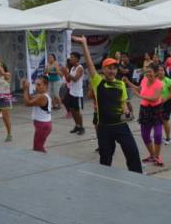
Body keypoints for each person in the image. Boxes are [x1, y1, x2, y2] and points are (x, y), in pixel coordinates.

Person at [73, 35, 142, 173]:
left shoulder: (120, 84)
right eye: (109, 68)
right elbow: (90, 64)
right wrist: (84, 43)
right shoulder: (98, 82)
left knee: (133, 153)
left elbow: (123, 103)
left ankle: (137, 177)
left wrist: (126, 112)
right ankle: (105, 181)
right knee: (105, 159)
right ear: (103, 70)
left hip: (121, 126)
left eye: (114, 68)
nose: (112, 71)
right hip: (104, 128)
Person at [127, 64, 165, 166]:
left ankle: (157, 157)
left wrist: (139, 96)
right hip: (144, 110)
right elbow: (139, 89)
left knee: (158, 134)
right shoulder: (144, 80)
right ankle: (152, 155)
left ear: (155, 73)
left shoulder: (159, 84)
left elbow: (155, 98)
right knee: (145, 135)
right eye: (147, 71)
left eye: (150, 72)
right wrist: (128, 82)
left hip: (156, 110)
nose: (148, 73)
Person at [22, 77, 52, 152]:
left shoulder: (42, 96)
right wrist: (26, 88)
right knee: (38, 147)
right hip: (42, 125)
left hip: (43, 125)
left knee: (37, 148)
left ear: (45, 86)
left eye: (39, 85)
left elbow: (27, 103)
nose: (36, 87)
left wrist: (26, 89)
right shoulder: (40, 95)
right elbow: (30, 98)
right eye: (35, 84)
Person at [61, 51, 85, 135]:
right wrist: (65, 73)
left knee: (77, 111)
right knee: (72, 110)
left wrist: (67, 73)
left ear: (77, 59)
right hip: (71, 91)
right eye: (70, 57)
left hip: (77, 93)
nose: (70, 59)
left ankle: (81, 127)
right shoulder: (72, 68)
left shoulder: (80, 68)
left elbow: (75, 79)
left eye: (72, 57)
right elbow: (68, 80)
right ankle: (77, 125)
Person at [157, 65, 171, 145]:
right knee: (157, 121)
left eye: (162, 70)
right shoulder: (154, 80)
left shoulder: (168, 81)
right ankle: (158, 137)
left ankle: (168, 138)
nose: (160, 72)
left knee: (165, 120)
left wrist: (165, 99)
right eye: (158, 70)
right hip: (156, 103)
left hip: (167, 103)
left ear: (164, 71)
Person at [117, 52, 136, 117]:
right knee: (122, 101)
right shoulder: (121, 65)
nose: (123, 58)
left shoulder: (131, 66)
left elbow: (125, 71)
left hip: (128, 86)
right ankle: (126, 114)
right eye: (122, 57)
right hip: (121, 85)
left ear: (128, 58)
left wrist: (118, 65)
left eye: (124, 57)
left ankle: (132, 114)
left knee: (127, 101)